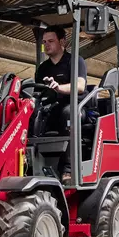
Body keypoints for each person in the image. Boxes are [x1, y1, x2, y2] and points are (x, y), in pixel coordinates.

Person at [33, 26, 87, 184]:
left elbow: (80, 86)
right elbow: (38, 92)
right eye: (44, 42)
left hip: (75, 107)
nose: (46, 45)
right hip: (51, 108)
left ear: (62, 42)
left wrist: (58, 88)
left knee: (68, 114)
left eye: (51, 41)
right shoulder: (43, 68)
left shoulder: (75, 61)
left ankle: (68, 169)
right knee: (32, 116)